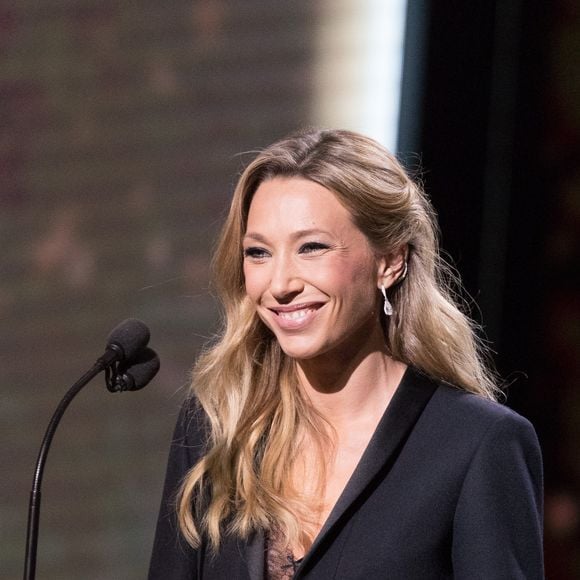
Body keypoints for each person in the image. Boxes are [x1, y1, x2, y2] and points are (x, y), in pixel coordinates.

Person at [149, 129, 543, 579]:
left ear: (390, 260)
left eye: (311, 247)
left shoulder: (475, 443)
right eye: (258, 253)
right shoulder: (217, 426)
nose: (279, 285)